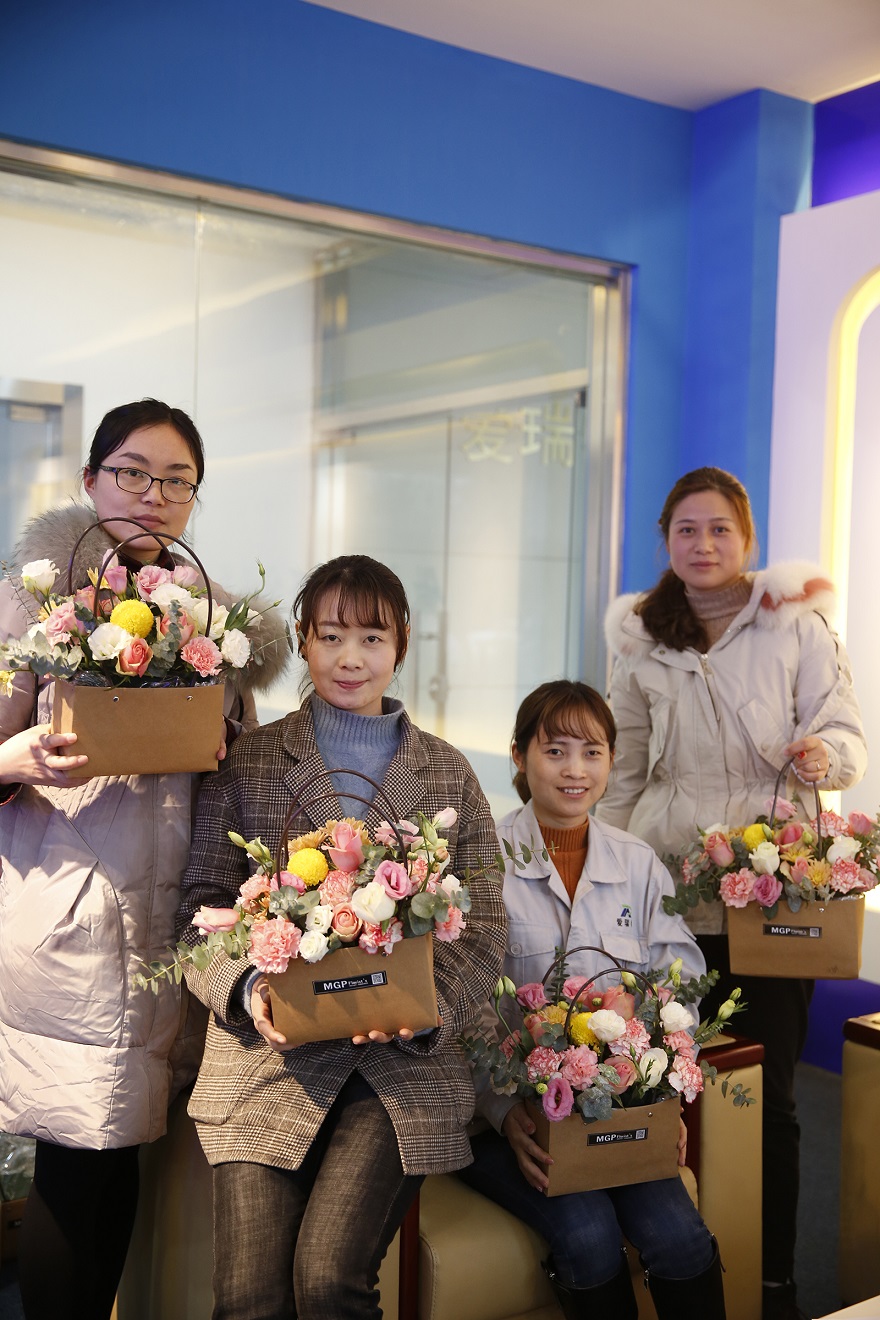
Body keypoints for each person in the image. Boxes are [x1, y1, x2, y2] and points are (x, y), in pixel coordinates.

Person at [0, 399, 289, 1320]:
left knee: (119, 1150)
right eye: (131, 472)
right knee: (74, 1160)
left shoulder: (210, 622)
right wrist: (13, 758)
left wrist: (225, 741)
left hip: (165, 925)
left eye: (176, 481)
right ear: (91, 480)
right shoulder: (29, 604)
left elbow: (232, 770)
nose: (152, 495)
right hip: (67, 914)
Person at [175, 553, 507, 1320]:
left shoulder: (446, 773)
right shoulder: (251, 760)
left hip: (400, 1064)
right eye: (330, 637)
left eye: (371, 638)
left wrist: (423, 1006)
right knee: (250, 1299)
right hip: (268, 1060)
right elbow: (199, 908)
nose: (350, 657)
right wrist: (249, 989)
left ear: (402, 644)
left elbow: (486, 925)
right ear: (303, 640)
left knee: (328, 1280)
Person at [596, 466, 867, 1320]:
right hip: (670, 887)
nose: (703, 544)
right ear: (666, 541)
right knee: (665, 1082)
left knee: (768, 1094)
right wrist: (596, 873)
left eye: (719, 529)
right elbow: (621, 771)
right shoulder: (641, 640)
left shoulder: (795, 624)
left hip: (770, 889)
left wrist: (826, 754)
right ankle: (682, 1268)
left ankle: (772, 1279)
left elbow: (846, 732)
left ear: (747, 538)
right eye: (686, 529)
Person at [459, 679, 723, 1319]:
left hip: (614, 1112)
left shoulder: (636, 863)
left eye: (592, 752)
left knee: (681, 1239)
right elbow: (458, 1005)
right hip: (509, 1122)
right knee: (588, 1236)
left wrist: (656, 1085)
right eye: (555, 751)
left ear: (611, 761)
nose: (575, 770)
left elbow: (681, 980)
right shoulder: (482, 862)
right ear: (519, 756)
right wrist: (504, 1110)